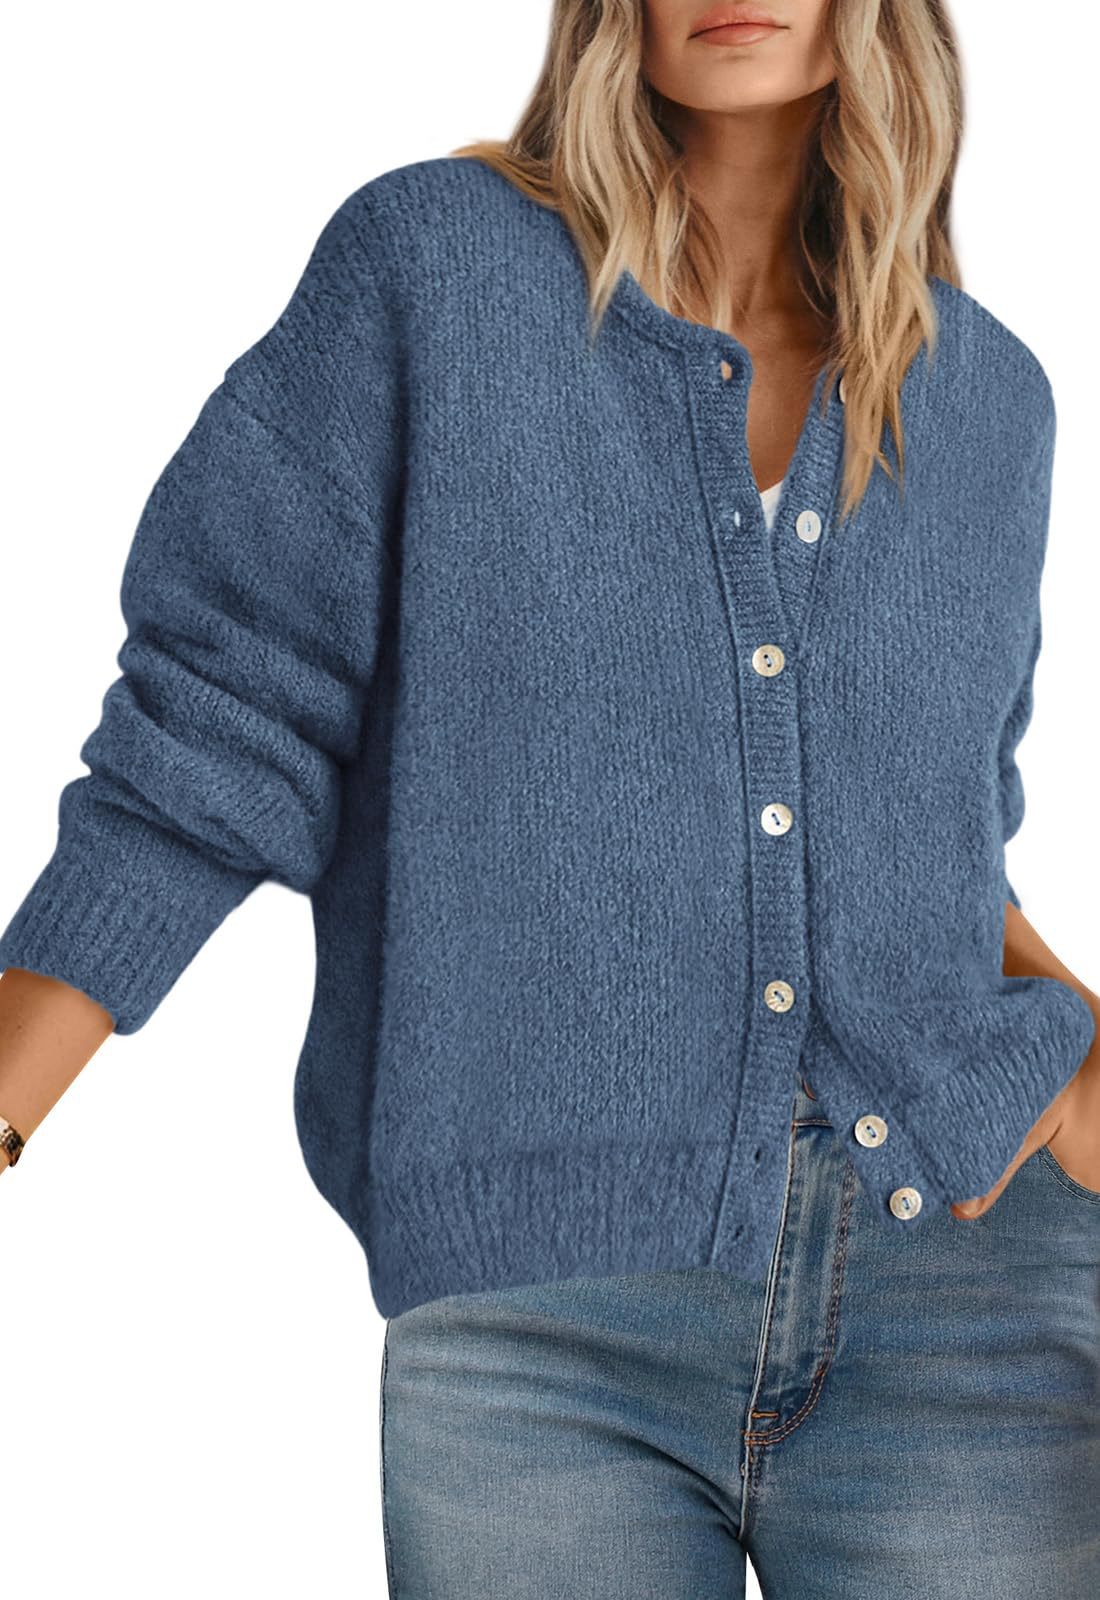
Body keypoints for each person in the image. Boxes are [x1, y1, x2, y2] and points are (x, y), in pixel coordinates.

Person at [2, 0, 1098, 1593]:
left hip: (972, 1295)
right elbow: (226, 720)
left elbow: (937, 844)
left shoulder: (989, 395)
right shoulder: (434, 275)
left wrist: (1076, 1065)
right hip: (542, 1312)